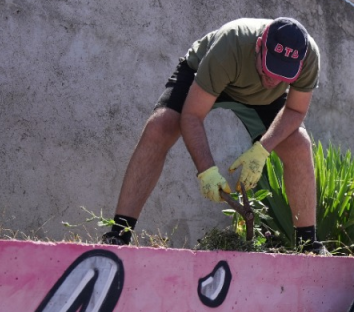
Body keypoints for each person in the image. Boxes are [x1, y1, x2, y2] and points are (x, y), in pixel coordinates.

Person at [102, 16, 327, 253]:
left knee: (299, 143)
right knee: (161, 126)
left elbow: (295, 109)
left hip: (263, 99)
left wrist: (262, 149)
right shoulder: (232, 42)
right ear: (260, 45)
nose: (273, 79)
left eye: (284, 75)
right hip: (207, 77)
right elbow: (192, 116)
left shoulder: (308, 55)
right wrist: (207, 170)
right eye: (270, 68)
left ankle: (308, 245)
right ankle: (118, 235)